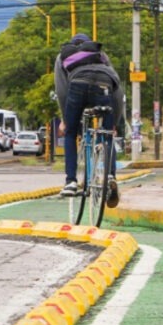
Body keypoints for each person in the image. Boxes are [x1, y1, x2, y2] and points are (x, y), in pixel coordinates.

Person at [54, 33, 125, 207]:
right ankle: (110, 177)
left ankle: (71, 181)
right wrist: (114, 120)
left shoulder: (63, 55)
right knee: (107, 135)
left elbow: (62, 90)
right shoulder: (100, 55)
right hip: (104, 85)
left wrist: (66, 120)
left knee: (70, 134)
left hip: (77, 85)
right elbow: (117, 88)